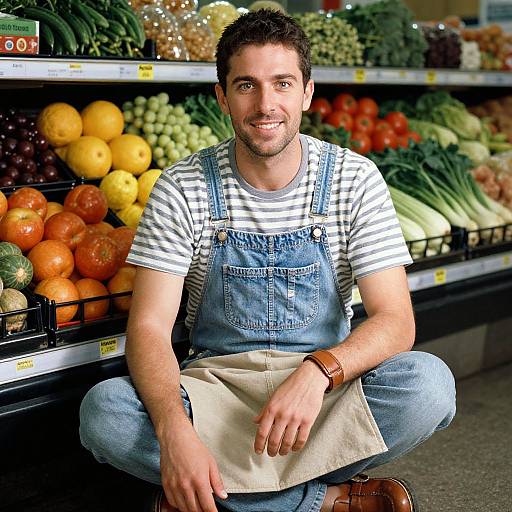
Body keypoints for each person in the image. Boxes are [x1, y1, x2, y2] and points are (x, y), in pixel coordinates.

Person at [79, 9, 456, 512]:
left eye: (282, 83)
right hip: (214, 393)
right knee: (104, 414)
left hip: (320, 396)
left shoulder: (354, 179)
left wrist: (318, 372)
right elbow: (148, 328)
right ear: (222, 97)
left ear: (306, 92)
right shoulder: (182, 186)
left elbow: (395, 321)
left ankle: (209, 492)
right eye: (246, 86)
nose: (265, 104)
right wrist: (174, 432)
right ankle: (327, 501)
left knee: (429, 385)